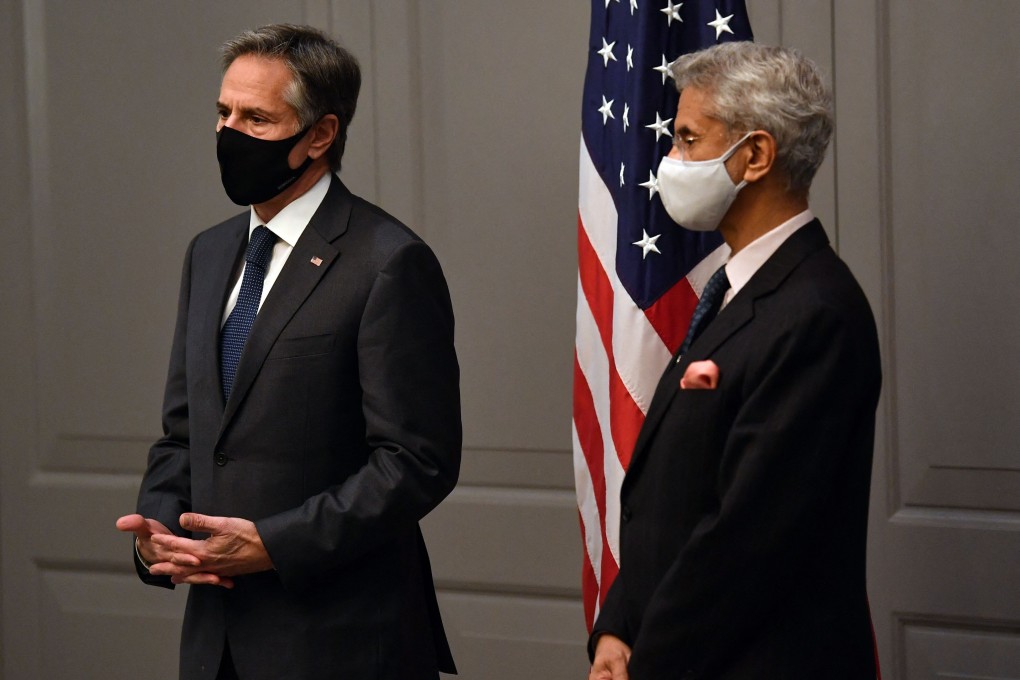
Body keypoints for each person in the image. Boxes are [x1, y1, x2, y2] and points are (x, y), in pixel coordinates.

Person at [115, 24, 460, 680]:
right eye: (223, 113)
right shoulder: (210, 252)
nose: (230, 133)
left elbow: (417, 462)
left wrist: (274, 544)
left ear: (321, 135)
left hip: (344, 642)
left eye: (257, 118)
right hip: (216, 644)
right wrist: (161, 536)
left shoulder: (390, 262)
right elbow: (186, 432)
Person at [588, 42, 881, 680]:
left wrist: (648, 663)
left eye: (688, 139)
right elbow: (672, 495)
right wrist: (617, 624)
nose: (669, 160)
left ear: (754, 156)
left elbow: (748, 539)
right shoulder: (732, 289)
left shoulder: (816, 313)